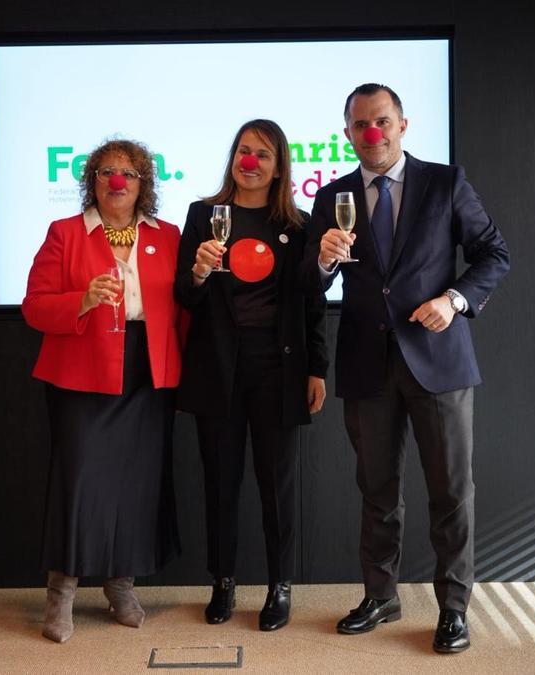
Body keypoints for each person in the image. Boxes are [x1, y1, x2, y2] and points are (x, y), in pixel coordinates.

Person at [301, 84, 509, 653]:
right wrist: (321, 263)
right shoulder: (334, 195)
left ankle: (454, 609)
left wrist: (455, 301)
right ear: (347, 133)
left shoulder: (445, 183)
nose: (374, 132)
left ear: (402, 124)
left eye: (383, 120)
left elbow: (494, 254)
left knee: (450, 492)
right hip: (368, 364)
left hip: (439, 361)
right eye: (362, 124)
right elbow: (310, 284)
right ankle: (381, 594)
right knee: (376, 490)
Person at [21, 139, 183, 643]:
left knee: (137, 482)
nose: (118, 182)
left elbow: (186, 306)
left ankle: (121, 586)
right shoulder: (65, 234)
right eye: (107, 171)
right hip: (82, 372)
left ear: (143, 184)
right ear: (92, 179)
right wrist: (82, 299)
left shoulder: (168, 236)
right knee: (80, 483)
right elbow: (34, 307)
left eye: (129, 173)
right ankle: (61, 594)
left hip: (147, 370)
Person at [175, 119, 328, 632]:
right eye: (244, 151)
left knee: (277, 485)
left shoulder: (299, 225)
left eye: (263, 154)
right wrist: (198, 271)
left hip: (277, 367)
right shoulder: (203, 215)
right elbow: (183, 295)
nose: (251, 162)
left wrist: (317, 370)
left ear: (280, 165)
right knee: (220, 481)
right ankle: (223, 582)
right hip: (217, 365)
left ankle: (280, 586)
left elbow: (312, 304)